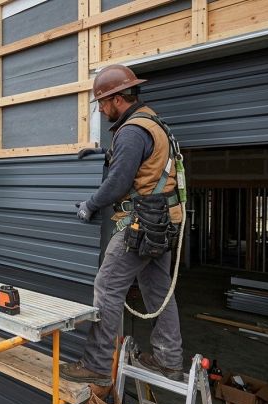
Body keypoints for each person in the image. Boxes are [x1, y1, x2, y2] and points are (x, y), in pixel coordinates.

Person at [60, 65, 184, 386]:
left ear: (117, 98)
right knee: (158, 291)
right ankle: (169, 359)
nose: (100, 109)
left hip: (140, 224)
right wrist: (103, 152)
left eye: (102, 102)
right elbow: (141, 164)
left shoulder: (131, 131)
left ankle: (97, 364)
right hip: (163, 222)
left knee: (107, 288)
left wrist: (90, 204)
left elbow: (118, 182)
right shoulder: (152, 124)